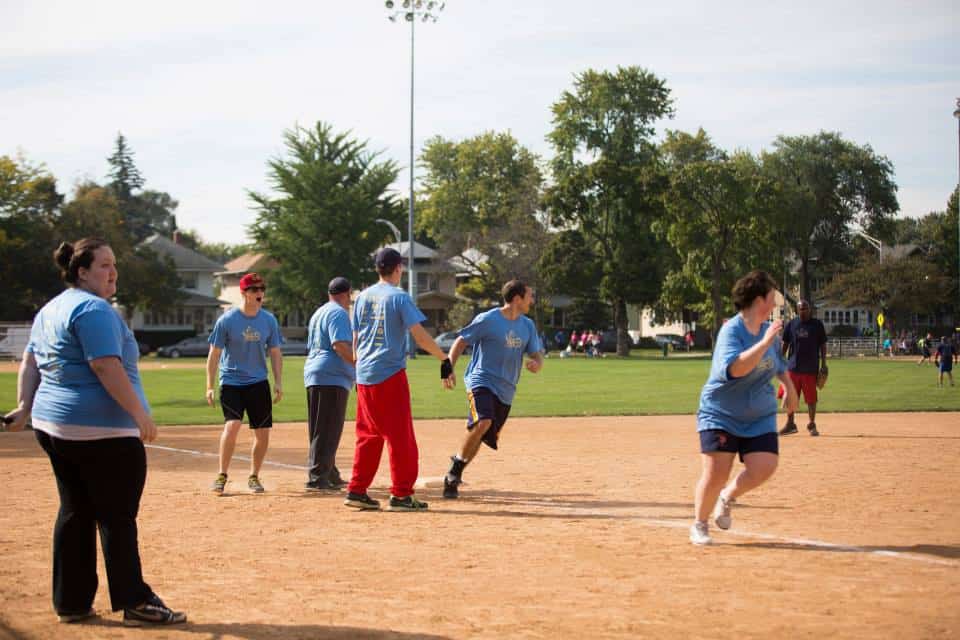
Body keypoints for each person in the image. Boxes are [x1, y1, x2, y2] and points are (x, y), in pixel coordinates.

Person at [2, 238, 185, 626]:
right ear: (81, 271)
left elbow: (31, 362)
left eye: (114, 264)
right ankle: (135, 601)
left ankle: (71, 602)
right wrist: (139, 414)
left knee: (75, 510)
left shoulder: (51, 308)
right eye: (104, 265)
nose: (113, 271)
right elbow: (104, 365)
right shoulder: (93, 309)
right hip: (101, 431)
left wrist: (25, 406)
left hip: (54, 427)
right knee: (117, 517)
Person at [690, 270, 798, 545]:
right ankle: (700, 524)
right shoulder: (732, 331)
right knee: (716, 473)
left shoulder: (768, 332)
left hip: (758, 414)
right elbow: (736, 369)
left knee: (765, 466)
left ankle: (727, 497)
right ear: (759, 300)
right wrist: (763, 343)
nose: (774, 303)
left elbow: (778, 365)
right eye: (772, 297)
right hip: (721, 413)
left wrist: (789, 386)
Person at [344, 247, 455, 512]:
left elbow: (356, 339)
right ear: (398, 269)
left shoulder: (361, 297)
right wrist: (444, 358)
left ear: (377, 269)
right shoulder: (399, 297)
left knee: (369, 435)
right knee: (400, 437)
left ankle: (357, 490)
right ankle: (402, 495)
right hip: (389, 374)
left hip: (364, 375)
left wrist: (360, 366)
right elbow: (420, 337)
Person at [441, 280, 544, 499]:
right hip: (481, 380)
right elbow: (461, 341)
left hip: (506, 390)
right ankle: (453, 474)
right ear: (517, 298)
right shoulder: (488, 319)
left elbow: (536, 354)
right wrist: (448, 366)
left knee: (482, 433)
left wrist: (537, 363)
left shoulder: (527, 325)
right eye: (529, 296)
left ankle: (457, 465)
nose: (532, 300)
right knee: (483, 422)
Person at [205, 272, 283, 495]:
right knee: (233, 425)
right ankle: (222, 475)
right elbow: (214, 354)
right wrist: (209, 385)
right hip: (232, 381)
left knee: (263, 432)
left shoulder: (269, 320)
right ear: (243, 293)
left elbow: (275, 352)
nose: (260, 293)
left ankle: (254, 476)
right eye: (254, 289)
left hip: (258, 382)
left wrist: (278, 382)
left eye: (262, 289)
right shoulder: (227, 320)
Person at [303, 277, 355, 491]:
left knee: (320, 426)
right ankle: (317, 478)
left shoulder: (320, 312)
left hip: (316, 373)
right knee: (328, 428)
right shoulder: (338, 313)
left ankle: (329, 472)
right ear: (347, 294)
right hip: (332, 376)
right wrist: (359, 364)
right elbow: (339, 345)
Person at [778, 299, 828, 437]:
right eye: (801, 308)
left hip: (810, 368)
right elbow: (785, 344)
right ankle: (790, 424)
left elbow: (823, 344)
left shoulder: (817, 325)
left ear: (810, 309)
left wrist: (824, 363)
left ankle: (812, 424)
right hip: (793, 367)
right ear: (797, 310)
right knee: (790, 397)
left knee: (811, 399)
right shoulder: (792, 324)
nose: (804, 311)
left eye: (806, 308)